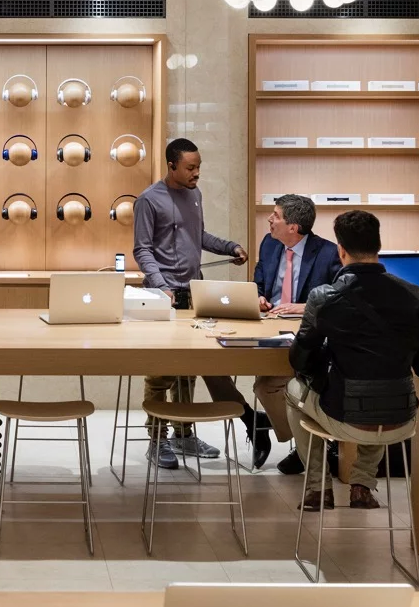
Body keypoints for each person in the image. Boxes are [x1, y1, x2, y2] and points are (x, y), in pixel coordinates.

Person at [286, 210, 419, 511]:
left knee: (292, 393)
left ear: (341, 250)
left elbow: (299, 360)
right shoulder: (416, 295)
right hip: (401, 419)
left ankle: (318, 489)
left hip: (345, 417)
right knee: (380, 388)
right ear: (378, 246)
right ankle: (362, 486)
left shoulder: (325, 297)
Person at [132, 137, 254, 470]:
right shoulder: (148, 200)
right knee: (160, 374)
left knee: (188, 369)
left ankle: (184, 435)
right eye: (190, 167)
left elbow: (196, 236)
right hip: (162, 296)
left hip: (192, 293)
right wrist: (160, 286)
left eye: (198, 167)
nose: (196, 173)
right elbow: (142, 249)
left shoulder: (194, 195)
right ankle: (157, 440)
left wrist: (229, 247)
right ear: (171, 165)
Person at [250, 195, 341, 471]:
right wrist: (259, 298)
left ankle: (310, 447)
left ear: (294, 228)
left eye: (275, 216)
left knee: (266, 386)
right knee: (263, 385)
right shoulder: (269, 243)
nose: (269, 219)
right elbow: (258, 282)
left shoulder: (328, 253)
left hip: (308, 336)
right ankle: (307, 445)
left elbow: (340, 297)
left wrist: (304, 306)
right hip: (268, 329)